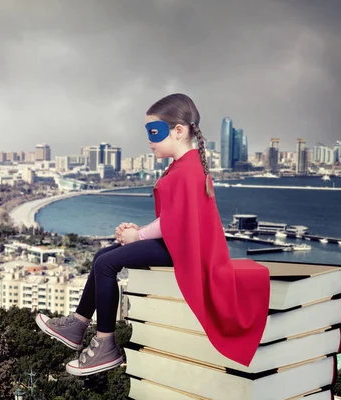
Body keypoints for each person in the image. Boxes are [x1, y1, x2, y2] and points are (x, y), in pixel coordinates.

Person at [35, 93, 270, 376]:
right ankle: (78, 324)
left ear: (179, 131)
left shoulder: (188, 170)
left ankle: (106, 345)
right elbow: (175, 218)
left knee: (105, 264)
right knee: (102, 256)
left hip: (186, 252)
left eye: (154, 131)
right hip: (179, 244)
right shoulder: (186, 166)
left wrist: (139, 236)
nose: (149, 139)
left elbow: (175, 221)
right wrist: (139, 233)